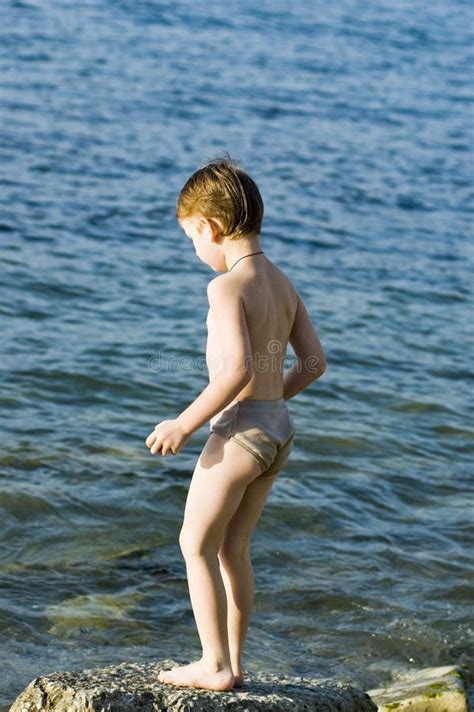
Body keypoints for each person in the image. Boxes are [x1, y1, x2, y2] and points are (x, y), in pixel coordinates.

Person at [145, 155, 327, 692]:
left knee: (194, 545)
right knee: (234, 550)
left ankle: (214, 665)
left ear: (210, 227)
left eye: (191, 239)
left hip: (239, 433)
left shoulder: (225, 288)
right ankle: (236, 662)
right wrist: (271, 400)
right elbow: (314, 363)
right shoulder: (283, 282)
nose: (196, 252)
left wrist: (184, 423)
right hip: (278, 432)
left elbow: (237, 371)